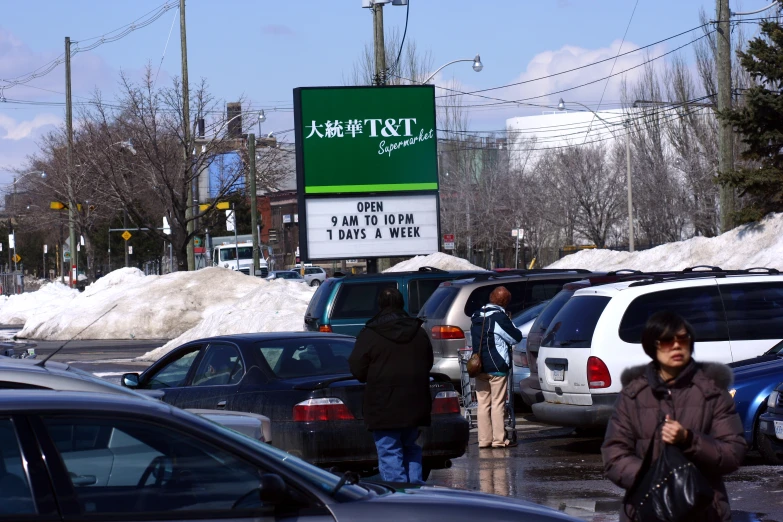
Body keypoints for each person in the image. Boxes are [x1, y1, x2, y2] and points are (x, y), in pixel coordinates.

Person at [602, 311, 746, 522]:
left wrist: (689, 439)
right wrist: (655, 480)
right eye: (667, 341)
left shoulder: (712, 392)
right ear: (652, 346)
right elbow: (614, 456)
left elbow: (733, 453)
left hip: (703, 511)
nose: (677, 346)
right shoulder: (633, 395)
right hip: (646, 511)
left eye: (683, 339)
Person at [348, 288, 433, 484]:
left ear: (380, 305)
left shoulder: (370, 334)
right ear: (402, 303)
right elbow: (428, 363)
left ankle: (399, 497)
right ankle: (415, 493)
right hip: (415, 403)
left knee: (389, 451)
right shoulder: (418, 332)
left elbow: (357, 368)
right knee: (411, 447)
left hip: (383, 404)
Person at [470, 286, 523, 449]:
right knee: (498, 403)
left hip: (479, 367)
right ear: (506, 302)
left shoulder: (476, 316)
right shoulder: (499, 317)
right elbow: (516, 338)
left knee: (483, 403)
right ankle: (499, 440)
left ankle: (484, 440)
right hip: (497, 367)